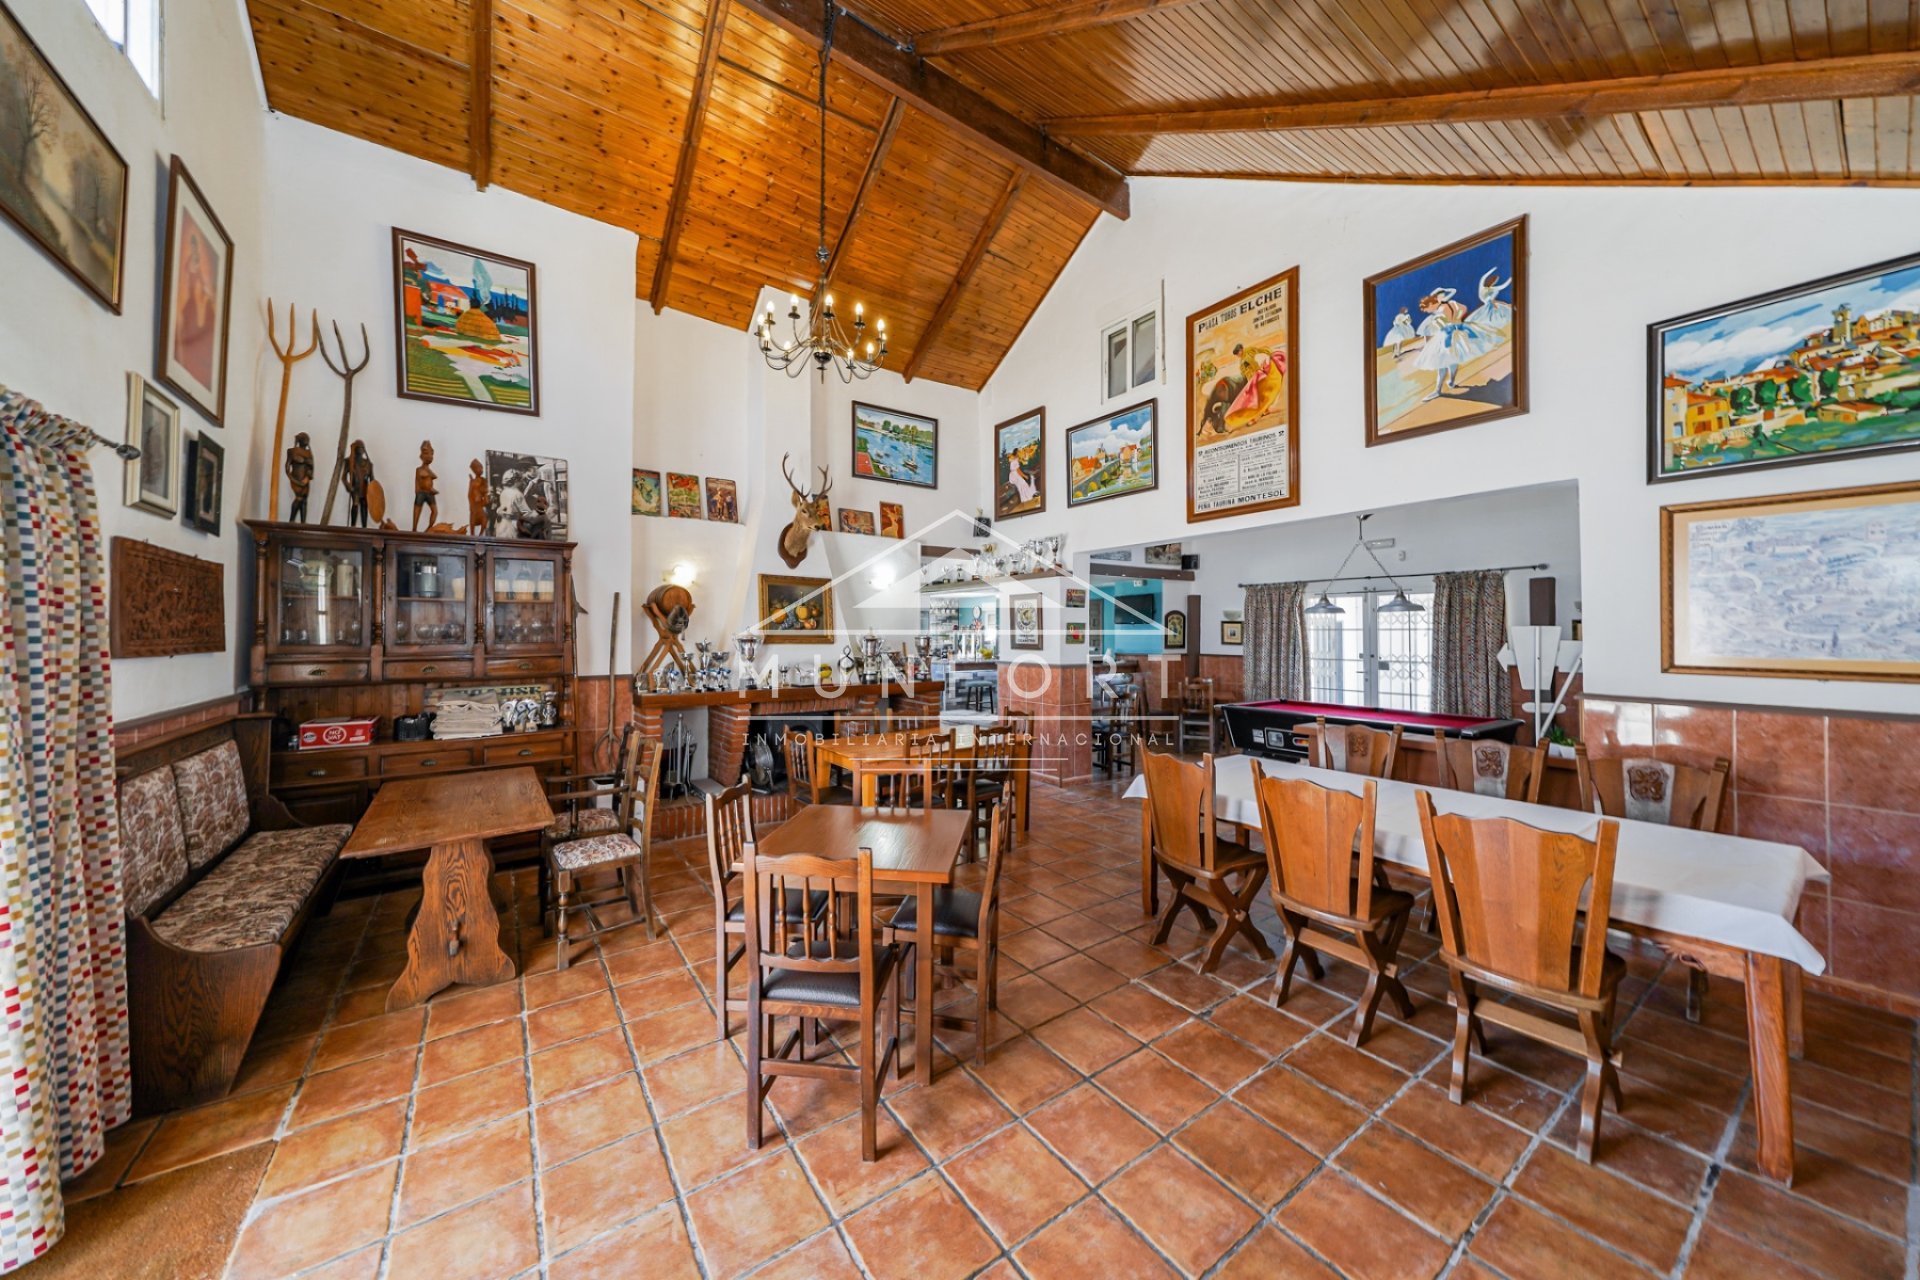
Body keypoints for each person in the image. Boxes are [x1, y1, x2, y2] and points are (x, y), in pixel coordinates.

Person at [1413, 288, 1497, 402]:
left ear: (1431, 304)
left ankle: (1437, 390)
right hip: (1457, 332)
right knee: (1453, 358)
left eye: (1427, 309)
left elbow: (1444, 324)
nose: (1427, 312)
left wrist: (1442, 323)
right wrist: (1458, 318)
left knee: (1442, 363)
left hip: (1447, 335)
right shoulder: (1452, 303)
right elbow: (1464, 308)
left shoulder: (1441, 309)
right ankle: (1451, 382)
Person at [285, 432, 314, 523]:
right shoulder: (292, 451)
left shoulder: (309, 453)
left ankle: (303, 523)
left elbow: (311, 468)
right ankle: (291, 520)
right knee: (299, 498)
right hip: (296, 479)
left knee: (304, 500)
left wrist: (308, 477)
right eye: (305, 439)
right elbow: (287, 468)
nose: (306, 442)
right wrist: (293, 479)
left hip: (305, 481)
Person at [345, 440, 374, 528]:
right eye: (358, 448)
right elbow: (343, 477)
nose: (360, 450)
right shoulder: (350, 462)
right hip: (355, 488)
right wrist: (348, 485)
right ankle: (353, 526)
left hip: (365, 489)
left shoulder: (368, 464)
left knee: (364, 505)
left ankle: (364, 527)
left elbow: (372, 479)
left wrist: (373, 491)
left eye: (361, 448)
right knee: (355, 504)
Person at [412, 440, 438, 531]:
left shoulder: (428, 470)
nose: (429, 456)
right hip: (421, 493)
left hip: (430, 493)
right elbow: (420, 482)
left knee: (435, 512)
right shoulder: (419, 469)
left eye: (431, 454)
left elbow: (434, 476)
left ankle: (428, 530)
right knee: (417, 510)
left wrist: (431, 489)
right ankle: (414, 529)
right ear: (422, 455)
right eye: (426, 453)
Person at [466, 459, 488, 535]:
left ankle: (480, 535)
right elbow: (469, 494)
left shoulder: (483, 480)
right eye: (479, 468)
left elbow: (485, 491)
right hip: (474, 506)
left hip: (480, 505)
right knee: (472, 519)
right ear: (474, 470)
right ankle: (472, 535)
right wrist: (472, 503)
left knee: (484, 519)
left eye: (481, 468)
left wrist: (484, 497)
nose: (481, 470)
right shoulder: (472, 481)